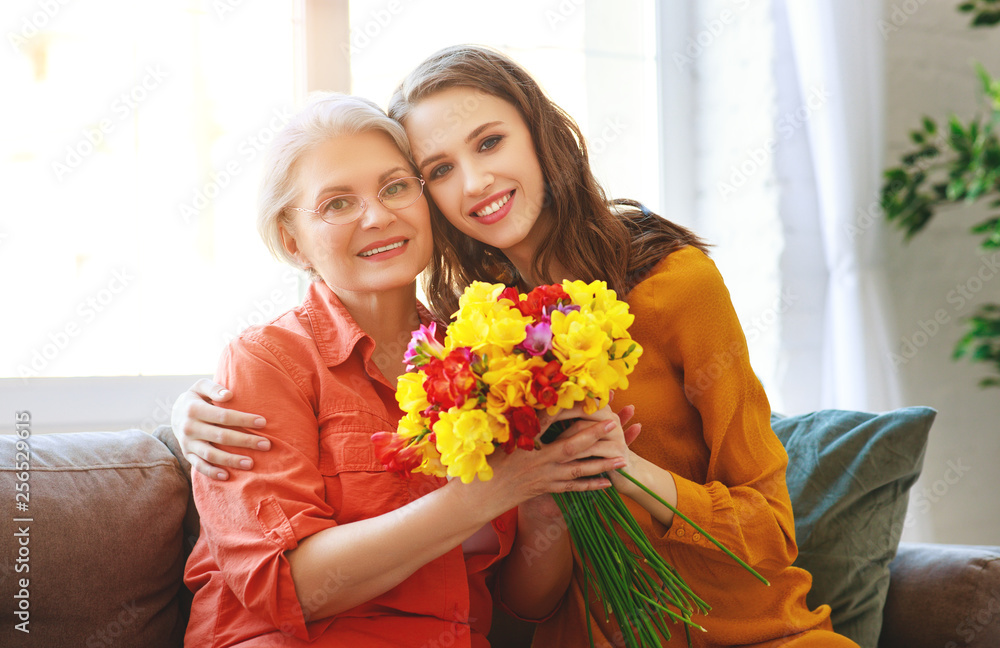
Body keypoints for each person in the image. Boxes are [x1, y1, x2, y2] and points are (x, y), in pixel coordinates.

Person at [174, 47, 859, 647]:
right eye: (438, 169)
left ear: (540, 137)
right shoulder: (467, 343)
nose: (473, 183)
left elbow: (770, 534)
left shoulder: (667, 288)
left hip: (745, 625)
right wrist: (186, 411)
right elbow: (525, 593)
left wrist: (613, 471)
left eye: (490, 142)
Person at [178, 92, 634, 648]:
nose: (377, 215)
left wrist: (557, 482)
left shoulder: (484, 355)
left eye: (395, 187)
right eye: (338, 203)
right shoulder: (268, 361)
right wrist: (483, 496)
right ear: (291, 239)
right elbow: (290, 587)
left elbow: (526, 602)